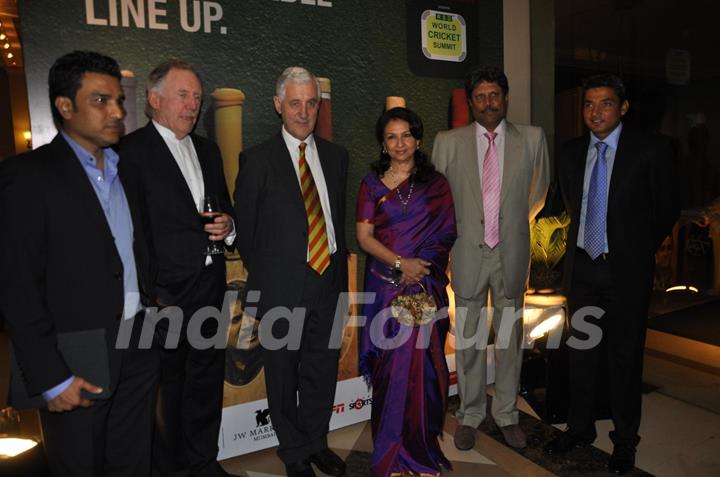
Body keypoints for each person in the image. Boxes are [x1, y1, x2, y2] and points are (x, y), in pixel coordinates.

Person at [0, 51, 158, 476]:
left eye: (118, 102)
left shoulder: (128, 170)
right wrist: (50, 376)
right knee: (79, 466)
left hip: (137, 344)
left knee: (132, 462)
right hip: (76, 357)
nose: (117, 112)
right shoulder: (28, 177)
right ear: (64, 107)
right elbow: (16, 287)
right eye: (101, 101)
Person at [545, 73, 679, 474]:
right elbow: (566, 206)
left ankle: (624, 440)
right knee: (581, 354)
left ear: (623, 107)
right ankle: (580, 428)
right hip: (582, 270)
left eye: (605, 103)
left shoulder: (652, 150)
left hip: (626, 273)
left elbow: (666, 209)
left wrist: (635, 252)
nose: (595, 112)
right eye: (588, 104)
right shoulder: (569, 153)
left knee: (624, 358)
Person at [119, 59, 236, 477]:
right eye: (183, 95)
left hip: (210, 288)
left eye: (197, 97)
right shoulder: (129, 153)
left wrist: (229, 225)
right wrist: (148, 296)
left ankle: (203, 462)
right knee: (165, 392)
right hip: (163, 298)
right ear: (154, 99)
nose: (192, 105)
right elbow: (130, 233)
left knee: (205, 385)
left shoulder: (208, 149)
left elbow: (225, 208)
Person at [234, 67, 349, 477]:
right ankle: (294, 453)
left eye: (311, 103)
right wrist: (272, 275)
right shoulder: (257, 160)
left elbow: (335, 221)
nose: (304, 112)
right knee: (282, 376)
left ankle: (317, 442)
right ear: (278, 105)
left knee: (322, 369)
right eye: (295, 103)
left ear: (319, 106)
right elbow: (245, 233)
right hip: (282, 285)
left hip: (329, 281)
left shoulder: (337, 158)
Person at [432, 65, 550, 451]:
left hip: (511, 252)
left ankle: (506, 414)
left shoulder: (532, 139)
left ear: (505, 98)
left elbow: (538, 194)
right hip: (466, 252)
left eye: (494, 95)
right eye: (480, 96)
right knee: (468, 339)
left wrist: (507, 226)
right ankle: (469, 414)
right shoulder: (447, 142)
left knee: (510, 340)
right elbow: (439, 200)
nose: (488, 102)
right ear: (471, 101)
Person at [356, 107, 457, 477]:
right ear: (384, 143)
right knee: (390, 372)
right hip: (385, 286)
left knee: (423, 370)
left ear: (418, 139)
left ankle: (419, 450)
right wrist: (402, 264)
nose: (400, 143)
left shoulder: (436, 185)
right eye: (392, 137)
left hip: (423, 287)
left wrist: (420, 270)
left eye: (406, 135)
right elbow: (364, 237)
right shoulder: (371, 184)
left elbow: (446, 232)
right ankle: (391, 453)